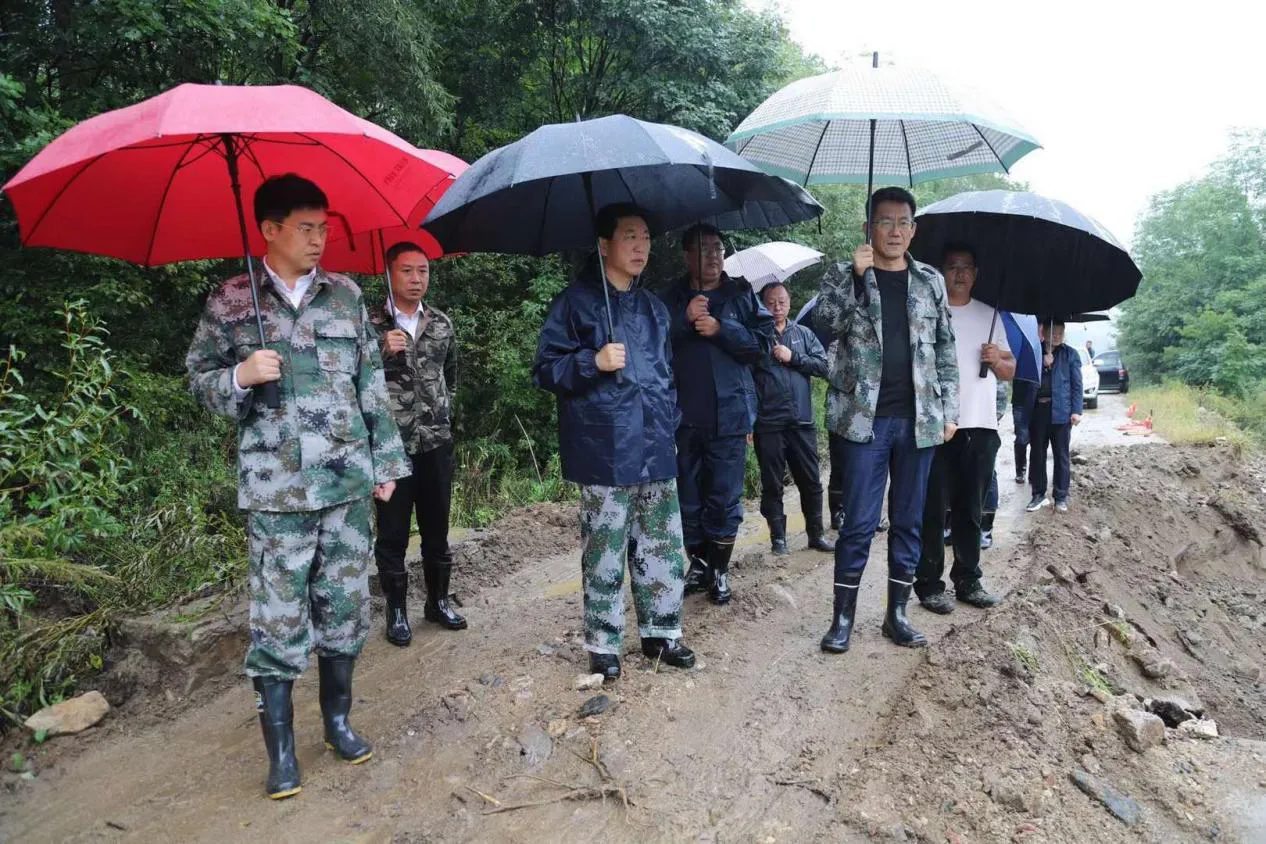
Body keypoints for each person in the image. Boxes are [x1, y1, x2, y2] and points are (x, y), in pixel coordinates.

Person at [186, 174, 409, 800]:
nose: (321, 239)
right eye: (308, 228)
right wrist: (238, 375)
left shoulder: (344, 296)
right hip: (275, 493)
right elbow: (198, 381)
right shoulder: (231, 302)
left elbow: (371, 385)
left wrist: (386, 464)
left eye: (325, 227)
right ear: (270, 230)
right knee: (278, 621)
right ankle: (281, 753)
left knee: (343, 610)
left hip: (345, 485)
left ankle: (337, 721)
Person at [533, 203, 696, 681]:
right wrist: (592, 361)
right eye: (629, 236)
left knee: (662, 544)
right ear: (604, 245)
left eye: (645, 236)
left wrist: (670, 424)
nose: (641, 246)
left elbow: (666, 375)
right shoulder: (575, 303)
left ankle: (662, 634)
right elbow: (546, 369)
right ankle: (603, 643)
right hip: (604, 446)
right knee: (604, 547)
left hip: (656, 443)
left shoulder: (653, 308)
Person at [816, 187, 959, 654]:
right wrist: (857, 279)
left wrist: (950, 412)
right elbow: (822, 326)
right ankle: (842, 619)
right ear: (868, 228)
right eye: (885, 221)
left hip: (919, 421)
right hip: (864, 422)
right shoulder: (845, 273)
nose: (894, 231)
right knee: (857, 522)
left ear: (913, 230)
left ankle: (896, 615)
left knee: (909, 520)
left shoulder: (930, 281)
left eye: (903, 222)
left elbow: (945, 348)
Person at [659, 224, 773, 604]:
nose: (712, 256)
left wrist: (722, 329)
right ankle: (699, 564)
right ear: (686, 254)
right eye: (703, 249)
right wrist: (684, 322)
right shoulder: (671, 297)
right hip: (682, 416)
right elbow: (651, 347)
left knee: (724, 496)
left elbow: (763, 344)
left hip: (730, 415)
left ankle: (720, 570)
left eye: (718, 248)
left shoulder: (740, 294)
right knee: (688, 497)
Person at [371, 242, 465, 647]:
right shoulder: (370, 324)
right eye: (407, 271)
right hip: (391, 446)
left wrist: (444, 416)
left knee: (436, 527)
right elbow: (347, 380)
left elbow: (452, 377)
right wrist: (379, 351)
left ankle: (437, 602)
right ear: (390, 274)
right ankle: (395, 612)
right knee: (392, 532)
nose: (416, 279)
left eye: (423, 271)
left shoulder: (441, 322)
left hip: (435, 442)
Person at [915, 244, 1014, 614]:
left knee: (970, 509)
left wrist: (997, 359)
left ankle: (969, 580)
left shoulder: (992, 315)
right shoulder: (929, 313)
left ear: (976, 273)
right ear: (942, 272)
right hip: (937, 426)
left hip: (981, 425)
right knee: (932, 508)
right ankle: (928, 584)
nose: (960, 273)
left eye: (967, 267)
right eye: (953, 267)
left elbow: (1009, 369)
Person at [750, 281, 833, 555]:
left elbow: (823, 366)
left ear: (789, 302)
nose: (777, 307)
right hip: (769, 422)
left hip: (801, 421)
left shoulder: (804, 334)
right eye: (771, 302)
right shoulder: (755, 337)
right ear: (763, 305)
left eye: (782, 301)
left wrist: (793, 357)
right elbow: (746, 382)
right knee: (772, 483)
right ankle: (778, 539)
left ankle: (816, 534)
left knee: (810, 480)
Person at [1026, 320, 1083, 513]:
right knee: (1037, 454)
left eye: (1060, 332)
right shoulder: (1034, 351)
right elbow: (1024, 378)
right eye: (1053, 332)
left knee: (1061, 455)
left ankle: (1060, 496)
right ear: (1044, 332)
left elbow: (1077, 385)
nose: (1057, 336)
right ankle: (1038, 495)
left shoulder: (1070, 354)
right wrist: (1044, 366)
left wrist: (1076, 411)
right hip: (1038, 411)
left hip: (1062, 412)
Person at [1011, 378, 1036, 484]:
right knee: (1022, 437)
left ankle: (1034, 472)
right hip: (1020, 401)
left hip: (1037, 400)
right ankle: (1020, 470)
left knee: (1037, 439)